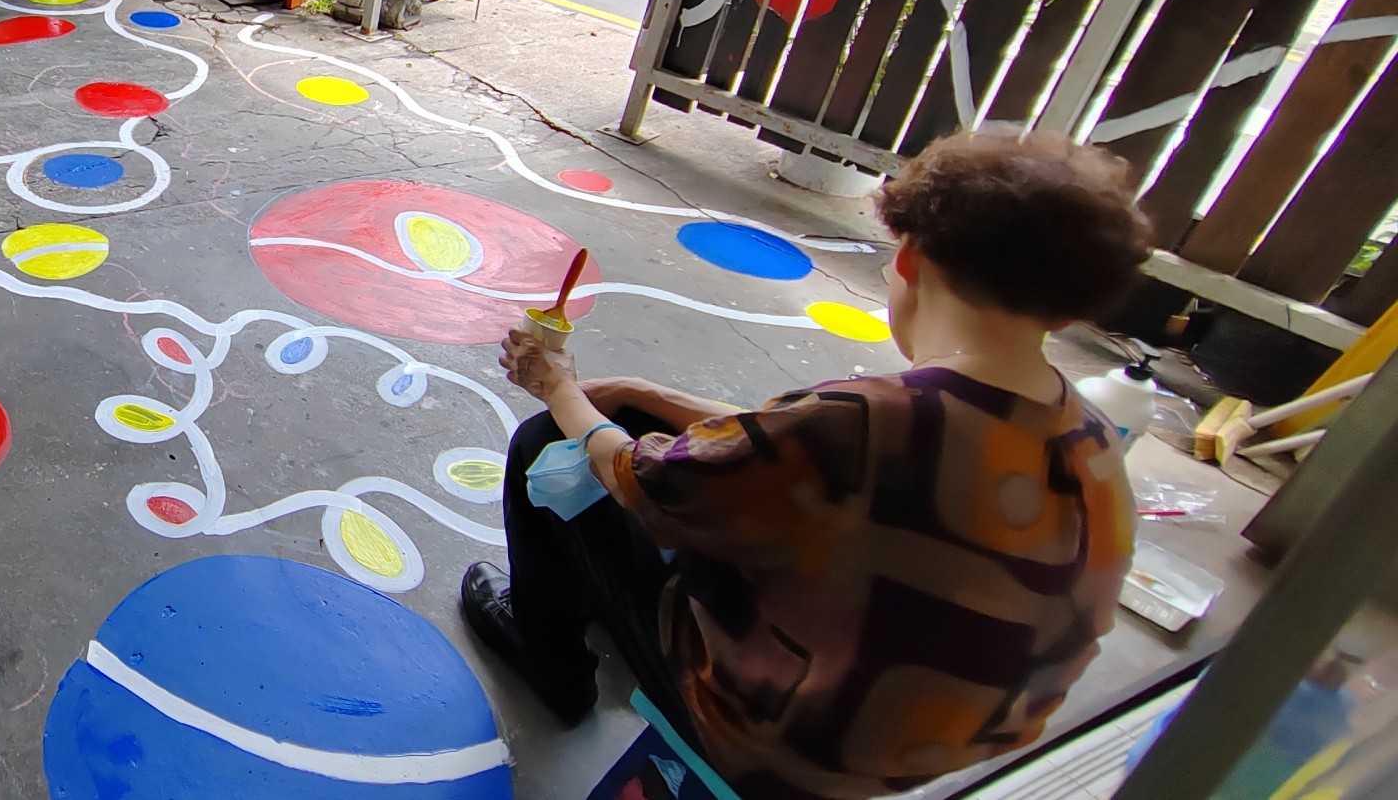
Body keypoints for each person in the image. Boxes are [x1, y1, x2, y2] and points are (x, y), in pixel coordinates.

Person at [468, 133, 1148, 800]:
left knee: (551, 443)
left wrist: (557, 388)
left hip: (774, 744)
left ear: (913, 261)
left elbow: (647, 481)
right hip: (915, 755)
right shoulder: (1091, 440)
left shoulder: (867, 419)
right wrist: (647, 394)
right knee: (637, 425)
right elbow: (784, 443)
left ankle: (549, 657)